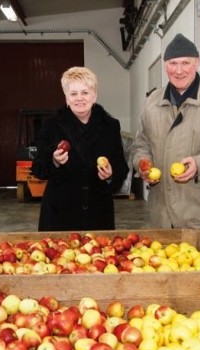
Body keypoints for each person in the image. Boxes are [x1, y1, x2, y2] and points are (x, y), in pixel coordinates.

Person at [130, 33, 200, 245]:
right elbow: (141, 143)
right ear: (165, 65)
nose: (179, 70)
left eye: (186, 63)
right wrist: (143, 164)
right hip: (162, 217)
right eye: (173, 63)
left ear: (198, 63)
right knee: (165, 277)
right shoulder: (153, 102)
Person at [32, 66, 130, 231]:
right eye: (73, 93)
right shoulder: (51, 126)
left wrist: (110, 174)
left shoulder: (110, 126)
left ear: (94, 95)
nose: (79, 98)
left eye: (85, 92)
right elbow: (38, 168)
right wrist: (54, 160)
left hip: (98, 215)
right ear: (66, 97)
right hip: (60, 216)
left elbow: (122, 167)